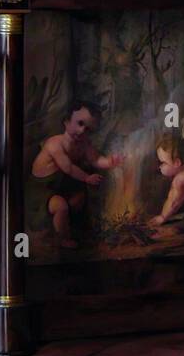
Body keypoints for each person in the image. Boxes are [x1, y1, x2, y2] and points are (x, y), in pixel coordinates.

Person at [29, 100, 123, 247]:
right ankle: (62, 239)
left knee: (78, 200)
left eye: (88, 129)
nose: (82, 131)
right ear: (66, 122)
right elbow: (68, 168)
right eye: (80, 124)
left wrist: (109, 162)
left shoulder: (84, 144)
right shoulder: (55, 144)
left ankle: (74, 231)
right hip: (42, 190)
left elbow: (96, 159)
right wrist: (87, 178)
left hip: (61, 186)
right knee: (61, 206)